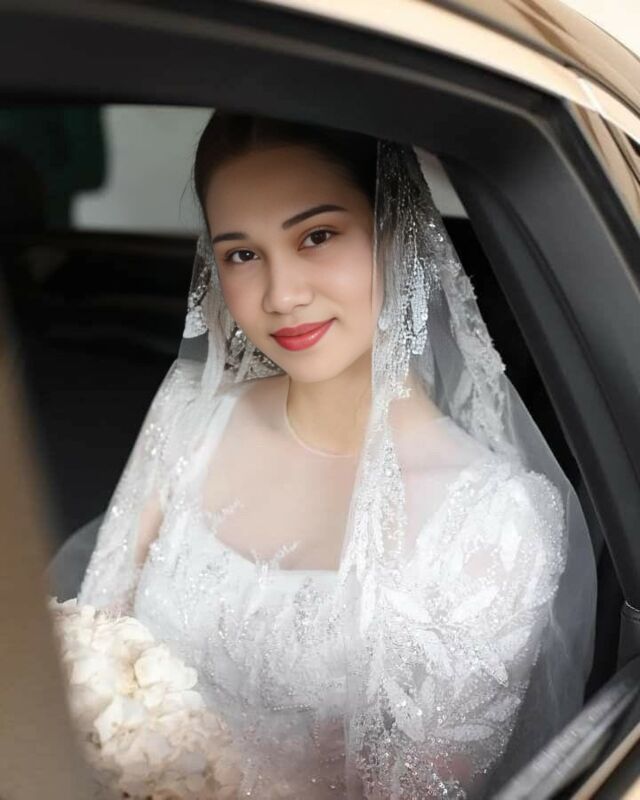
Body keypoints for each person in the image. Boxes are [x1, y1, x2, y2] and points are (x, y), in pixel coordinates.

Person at [78, 112, 597, 799]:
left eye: (317, 236)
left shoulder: (496, 520)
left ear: (395, 231)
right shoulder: (188, 417)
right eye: (242, 254)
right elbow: (89, 654)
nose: (282, 295)